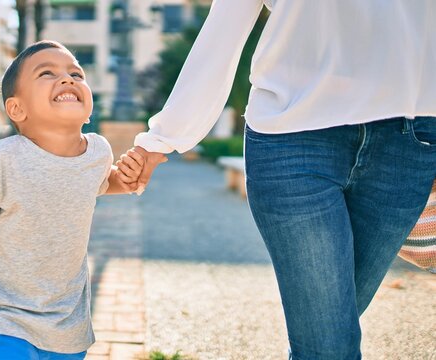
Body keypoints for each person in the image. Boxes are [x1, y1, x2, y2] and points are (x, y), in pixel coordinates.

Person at [120, 1, 436, 359]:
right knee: (327, 345)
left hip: (408, 140)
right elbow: (224, 26)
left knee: (327, 332)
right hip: (291, 136)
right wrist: (162, 138)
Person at [0, 40, 145, 359]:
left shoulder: (98, 152)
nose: (67, 78)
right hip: (4, 316)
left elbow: (101, 183)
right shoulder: (5, 158)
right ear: (17, 109)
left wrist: (127, 178)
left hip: (68, 323)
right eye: (47, 72)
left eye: (76, 73)